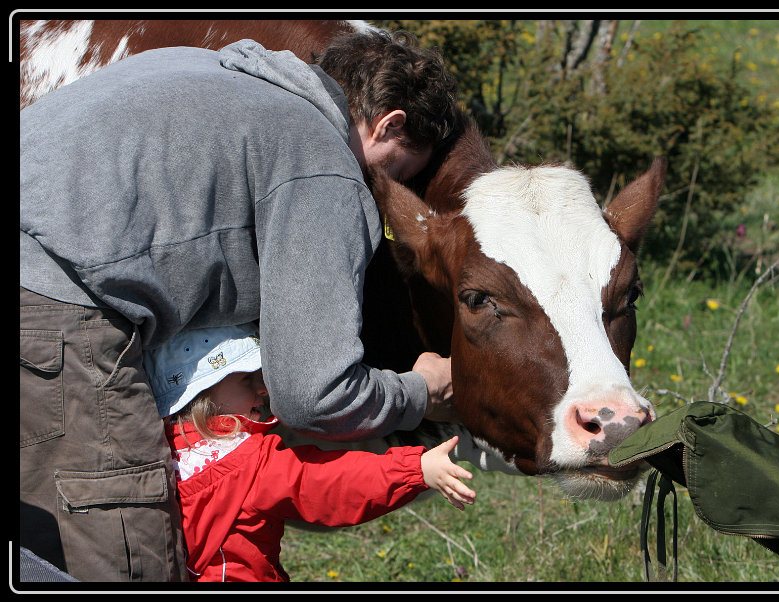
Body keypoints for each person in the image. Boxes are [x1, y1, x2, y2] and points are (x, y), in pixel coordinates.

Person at [20, 29, 462, 581]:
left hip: (41, 282)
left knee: (42, 538)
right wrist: (422, 392)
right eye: (395, 173)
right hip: (55, 303)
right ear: (388, 124)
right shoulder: (320, 156)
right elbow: (312, 394)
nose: (379, 188)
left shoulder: (203, 69)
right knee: (125, 551)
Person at [143, 324, 475, 582]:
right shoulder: (250, 464)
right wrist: (415, 469)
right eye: (247, 379)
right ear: (201, 396)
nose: (264, 388)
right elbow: (330, 483)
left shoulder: (151, 460)